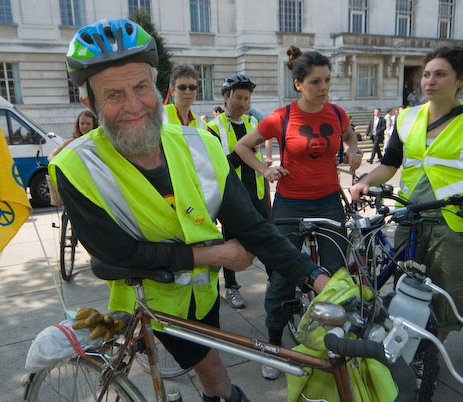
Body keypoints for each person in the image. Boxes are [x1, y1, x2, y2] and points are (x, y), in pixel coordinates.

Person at [50, 18, 330, 402]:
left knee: (211, 372)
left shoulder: (200, 144)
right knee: (210, 372)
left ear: (156, 86)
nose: (134, 106)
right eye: (113, 95)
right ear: (89, 102)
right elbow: (117, 254)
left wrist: (316, 279)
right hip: (147, 301)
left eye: (141, 87)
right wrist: (215, 253)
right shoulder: (76, 167)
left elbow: (251, 226)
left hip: (201, 296)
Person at [349, 45, 463, 344]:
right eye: (425, 75)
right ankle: (407, 346)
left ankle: (430, 356)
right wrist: (365, 181)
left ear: (460, 80)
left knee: (445, 292)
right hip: (411, 216)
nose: (429, 81)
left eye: (440, 74)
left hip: (456, 221)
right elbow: (389, 164)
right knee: (406, 287)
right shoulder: (406, 118)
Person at [234, 45, 362, 380]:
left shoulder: (337, 114)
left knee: (336, 277)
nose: (323, 87)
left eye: (328, 80)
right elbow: (241, 146)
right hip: (290, 205)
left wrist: (354, 151)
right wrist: (264, 170)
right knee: (282, 279)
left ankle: (333, 342)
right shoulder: (282, 117)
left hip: (329, 202)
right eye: (316, 81)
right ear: (298, 84)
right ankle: (274, 346)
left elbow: (350, 139)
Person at [205, 74, 271, 309]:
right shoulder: (213, 127)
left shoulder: (253, 124)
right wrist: (242, 152)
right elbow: (216, 166)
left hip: (258, 195)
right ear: (226, 97)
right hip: (232, 198)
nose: (243, 103)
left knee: (268, 239)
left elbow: (259, 158)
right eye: (239, 98)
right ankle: (231, 288)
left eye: (247, 98)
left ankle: (274, 281)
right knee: (231, 243)